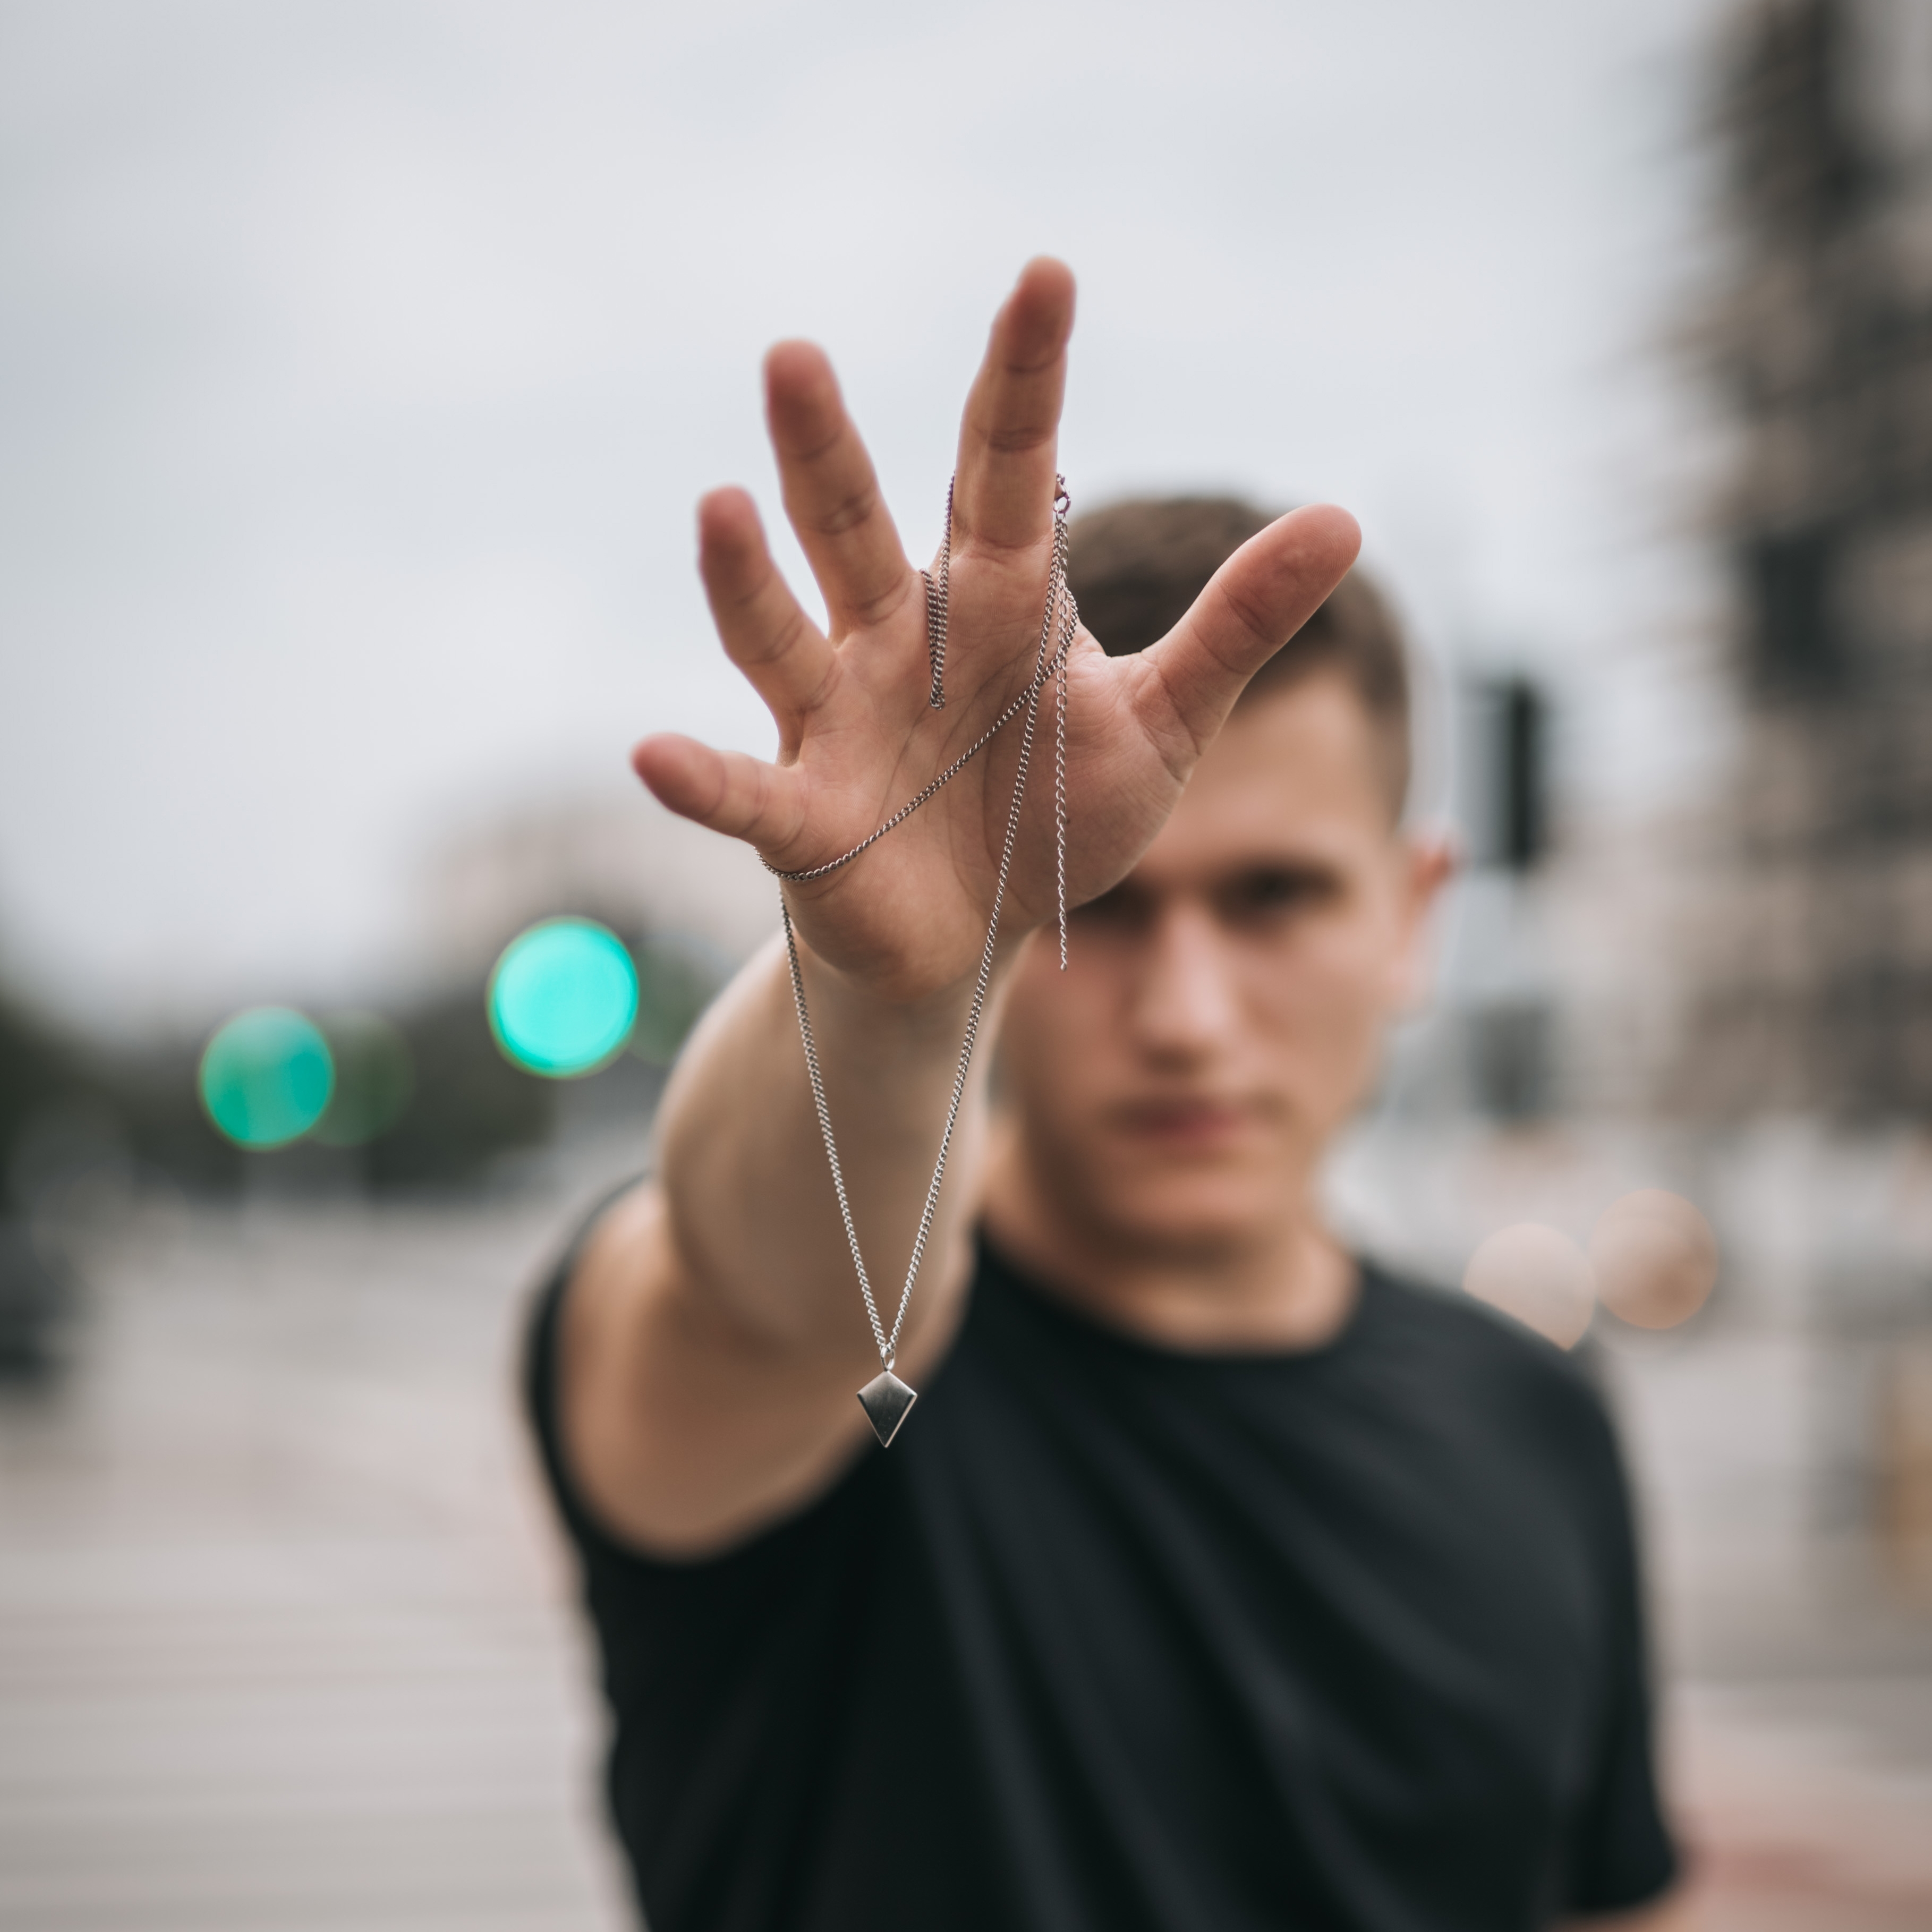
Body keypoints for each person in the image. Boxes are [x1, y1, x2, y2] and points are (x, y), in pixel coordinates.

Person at [524, 259, 1689, 1930]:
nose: (1191, 1019)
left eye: (1275, 898)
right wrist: (897, 989)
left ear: (1412, 917)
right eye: (1098, 907)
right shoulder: (853, 1389)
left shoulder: (1536, 1418)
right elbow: (772, 1300)